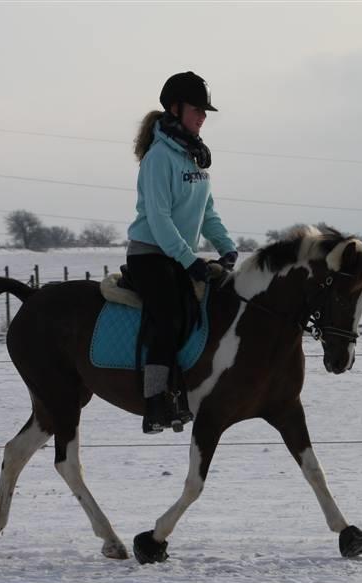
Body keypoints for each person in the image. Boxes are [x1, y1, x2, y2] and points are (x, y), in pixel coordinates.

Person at [127, 71, 238, 434]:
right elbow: (158, 220)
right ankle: (156, 402)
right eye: (196, 109)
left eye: (205, 111)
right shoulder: (159, 158)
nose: (202, 116)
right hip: (150, 255)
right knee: (170, 316)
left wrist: (227, 248)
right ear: (175, 110)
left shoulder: (194, 158)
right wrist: (190, 261)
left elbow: (207, 213)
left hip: (177, 256)